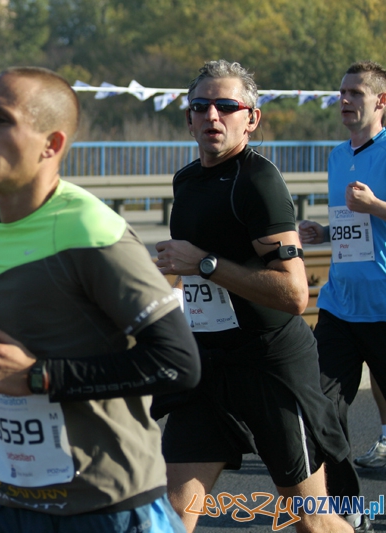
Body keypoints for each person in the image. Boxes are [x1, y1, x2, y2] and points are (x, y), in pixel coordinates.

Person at [0, 66, 201, 533]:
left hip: (104, 506)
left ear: (52, 144)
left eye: (1, 120)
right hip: (6, 500)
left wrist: (38, 377)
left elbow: (177, 363)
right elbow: (40, 347)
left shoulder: (92, 230)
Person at [154, 60, 354, 533]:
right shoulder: (187, 180)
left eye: (227, 106)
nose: (212, 116)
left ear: (252, 119)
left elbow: (294, 293)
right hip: (208, 364)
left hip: (269, 365)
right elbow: (189, 273)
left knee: (311, 521)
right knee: (169, 516)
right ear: (188, 119)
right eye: (200, 106)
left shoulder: (259, 182)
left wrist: (205, 263)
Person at [298, 60, 386, 528]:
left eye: (356, 93)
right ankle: (347, 511)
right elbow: (356, 226)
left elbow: (372, 213)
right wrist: (325, 231)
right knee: (321, 408)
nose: (345, 100)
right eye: (342, 92)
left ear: (381, 102)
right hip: (340, 306)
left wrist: (376, 205)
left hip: (384, 307)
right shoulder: (336, 156)